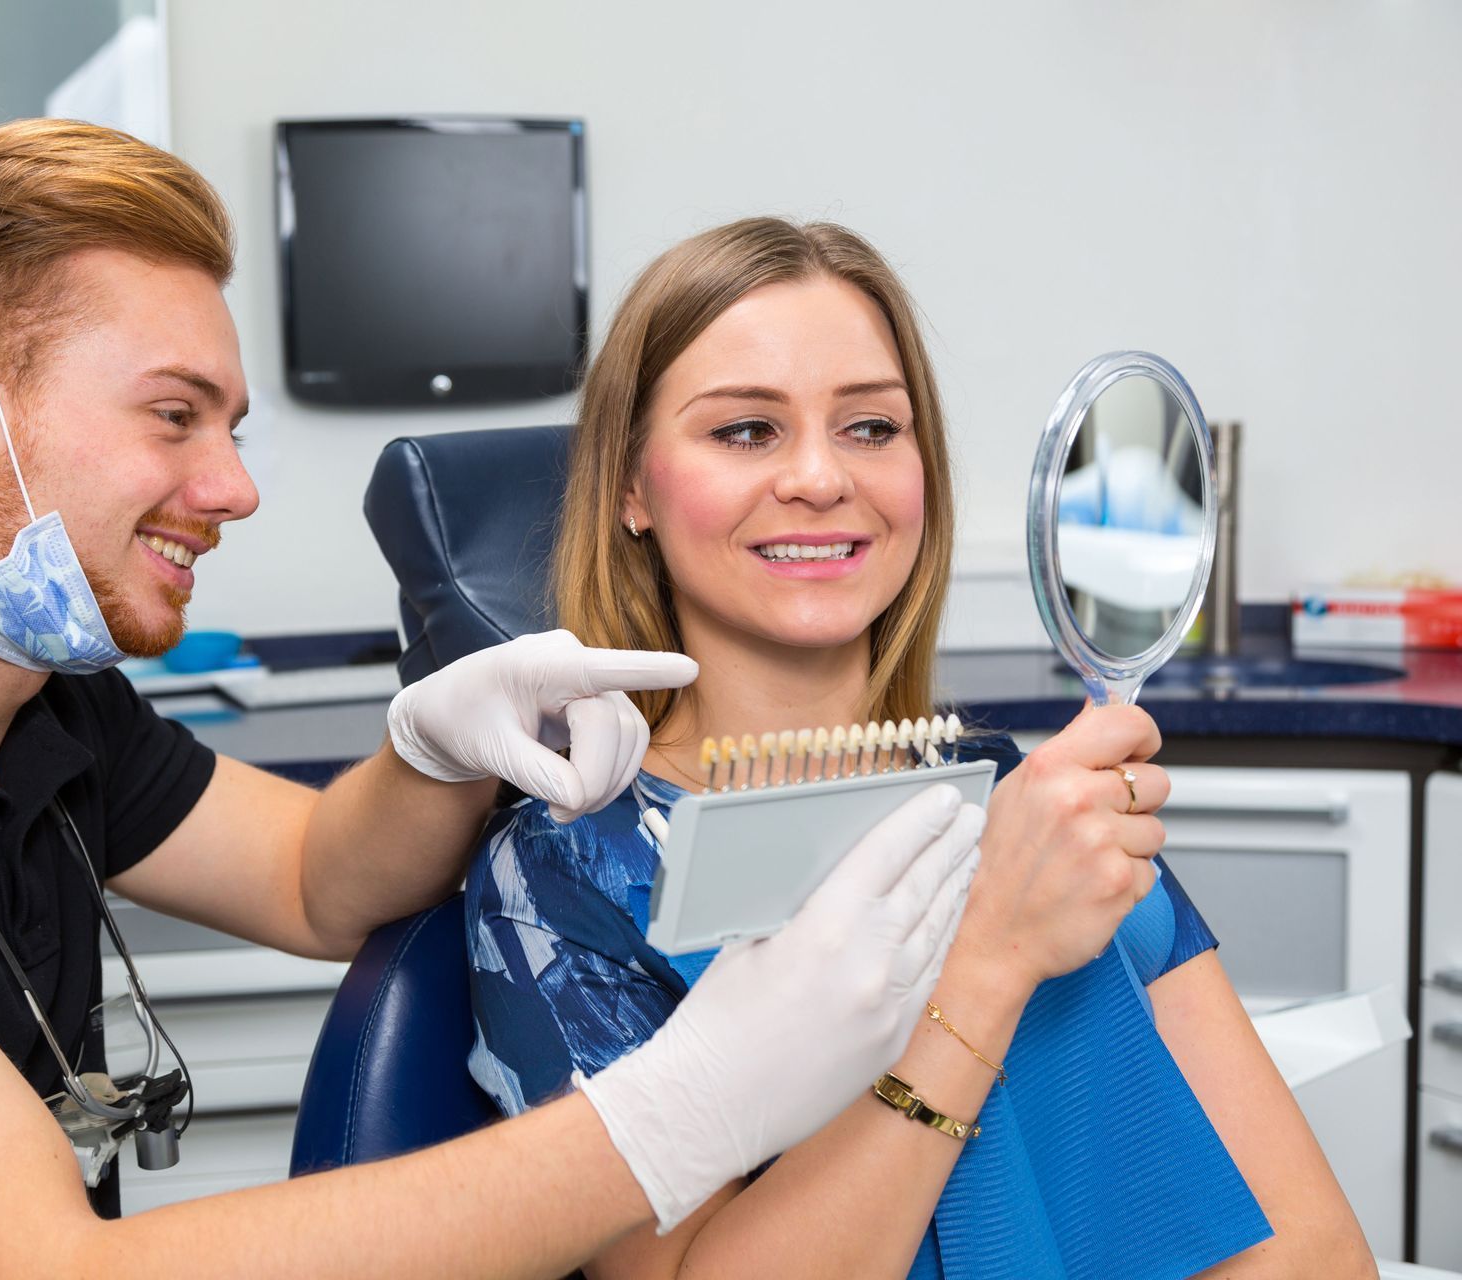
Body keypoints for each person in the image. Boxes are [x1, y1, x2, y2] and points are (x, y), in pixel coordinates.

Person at [0, 122, 986, 1279]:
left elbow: (309, 880)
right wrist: (691, 1111)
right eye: (175, 416)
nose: (232, 486)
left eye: (231, 429)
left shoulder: (41, 711)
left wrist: (431, 747)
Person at [464, 217, 1378, 1279]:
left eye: (870, 428)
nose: (819, 476)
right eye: (747, 430)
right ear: (631, 486)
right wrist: (989, 954)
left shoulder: (1037, 802)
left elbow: (1309, 1253)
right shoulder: (569, 872)